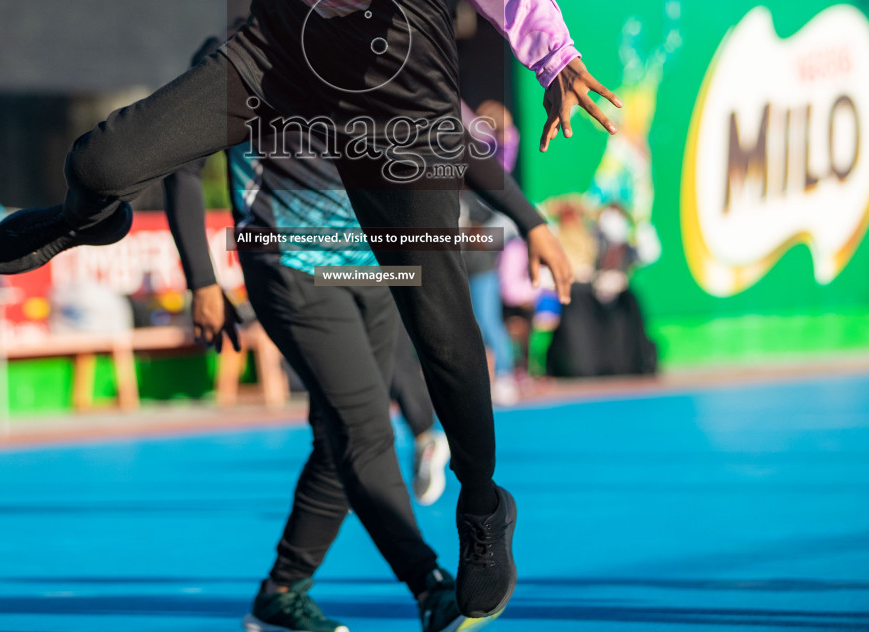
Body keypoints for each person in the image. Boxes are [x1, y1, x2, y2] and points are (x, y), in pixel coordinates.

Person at [0, 0, 620, 620]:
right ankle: (91, 214)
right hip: (279, 55)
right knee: (100, 158)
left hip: (389, 100)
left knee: (441, 330)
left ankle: (485, 512)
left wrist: (550, 50)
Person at [164, 36, 572, 631]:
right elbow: (180, 164)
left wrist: (530, 220)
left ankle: (280, 594)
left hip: (374, 263)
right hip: (287, 265)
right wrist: (201, 280)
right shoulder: (235, 56)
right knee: (364, 428)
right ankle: (430, 587)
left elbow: (452, 141)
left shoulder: (375, 53)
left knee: (339, 442)